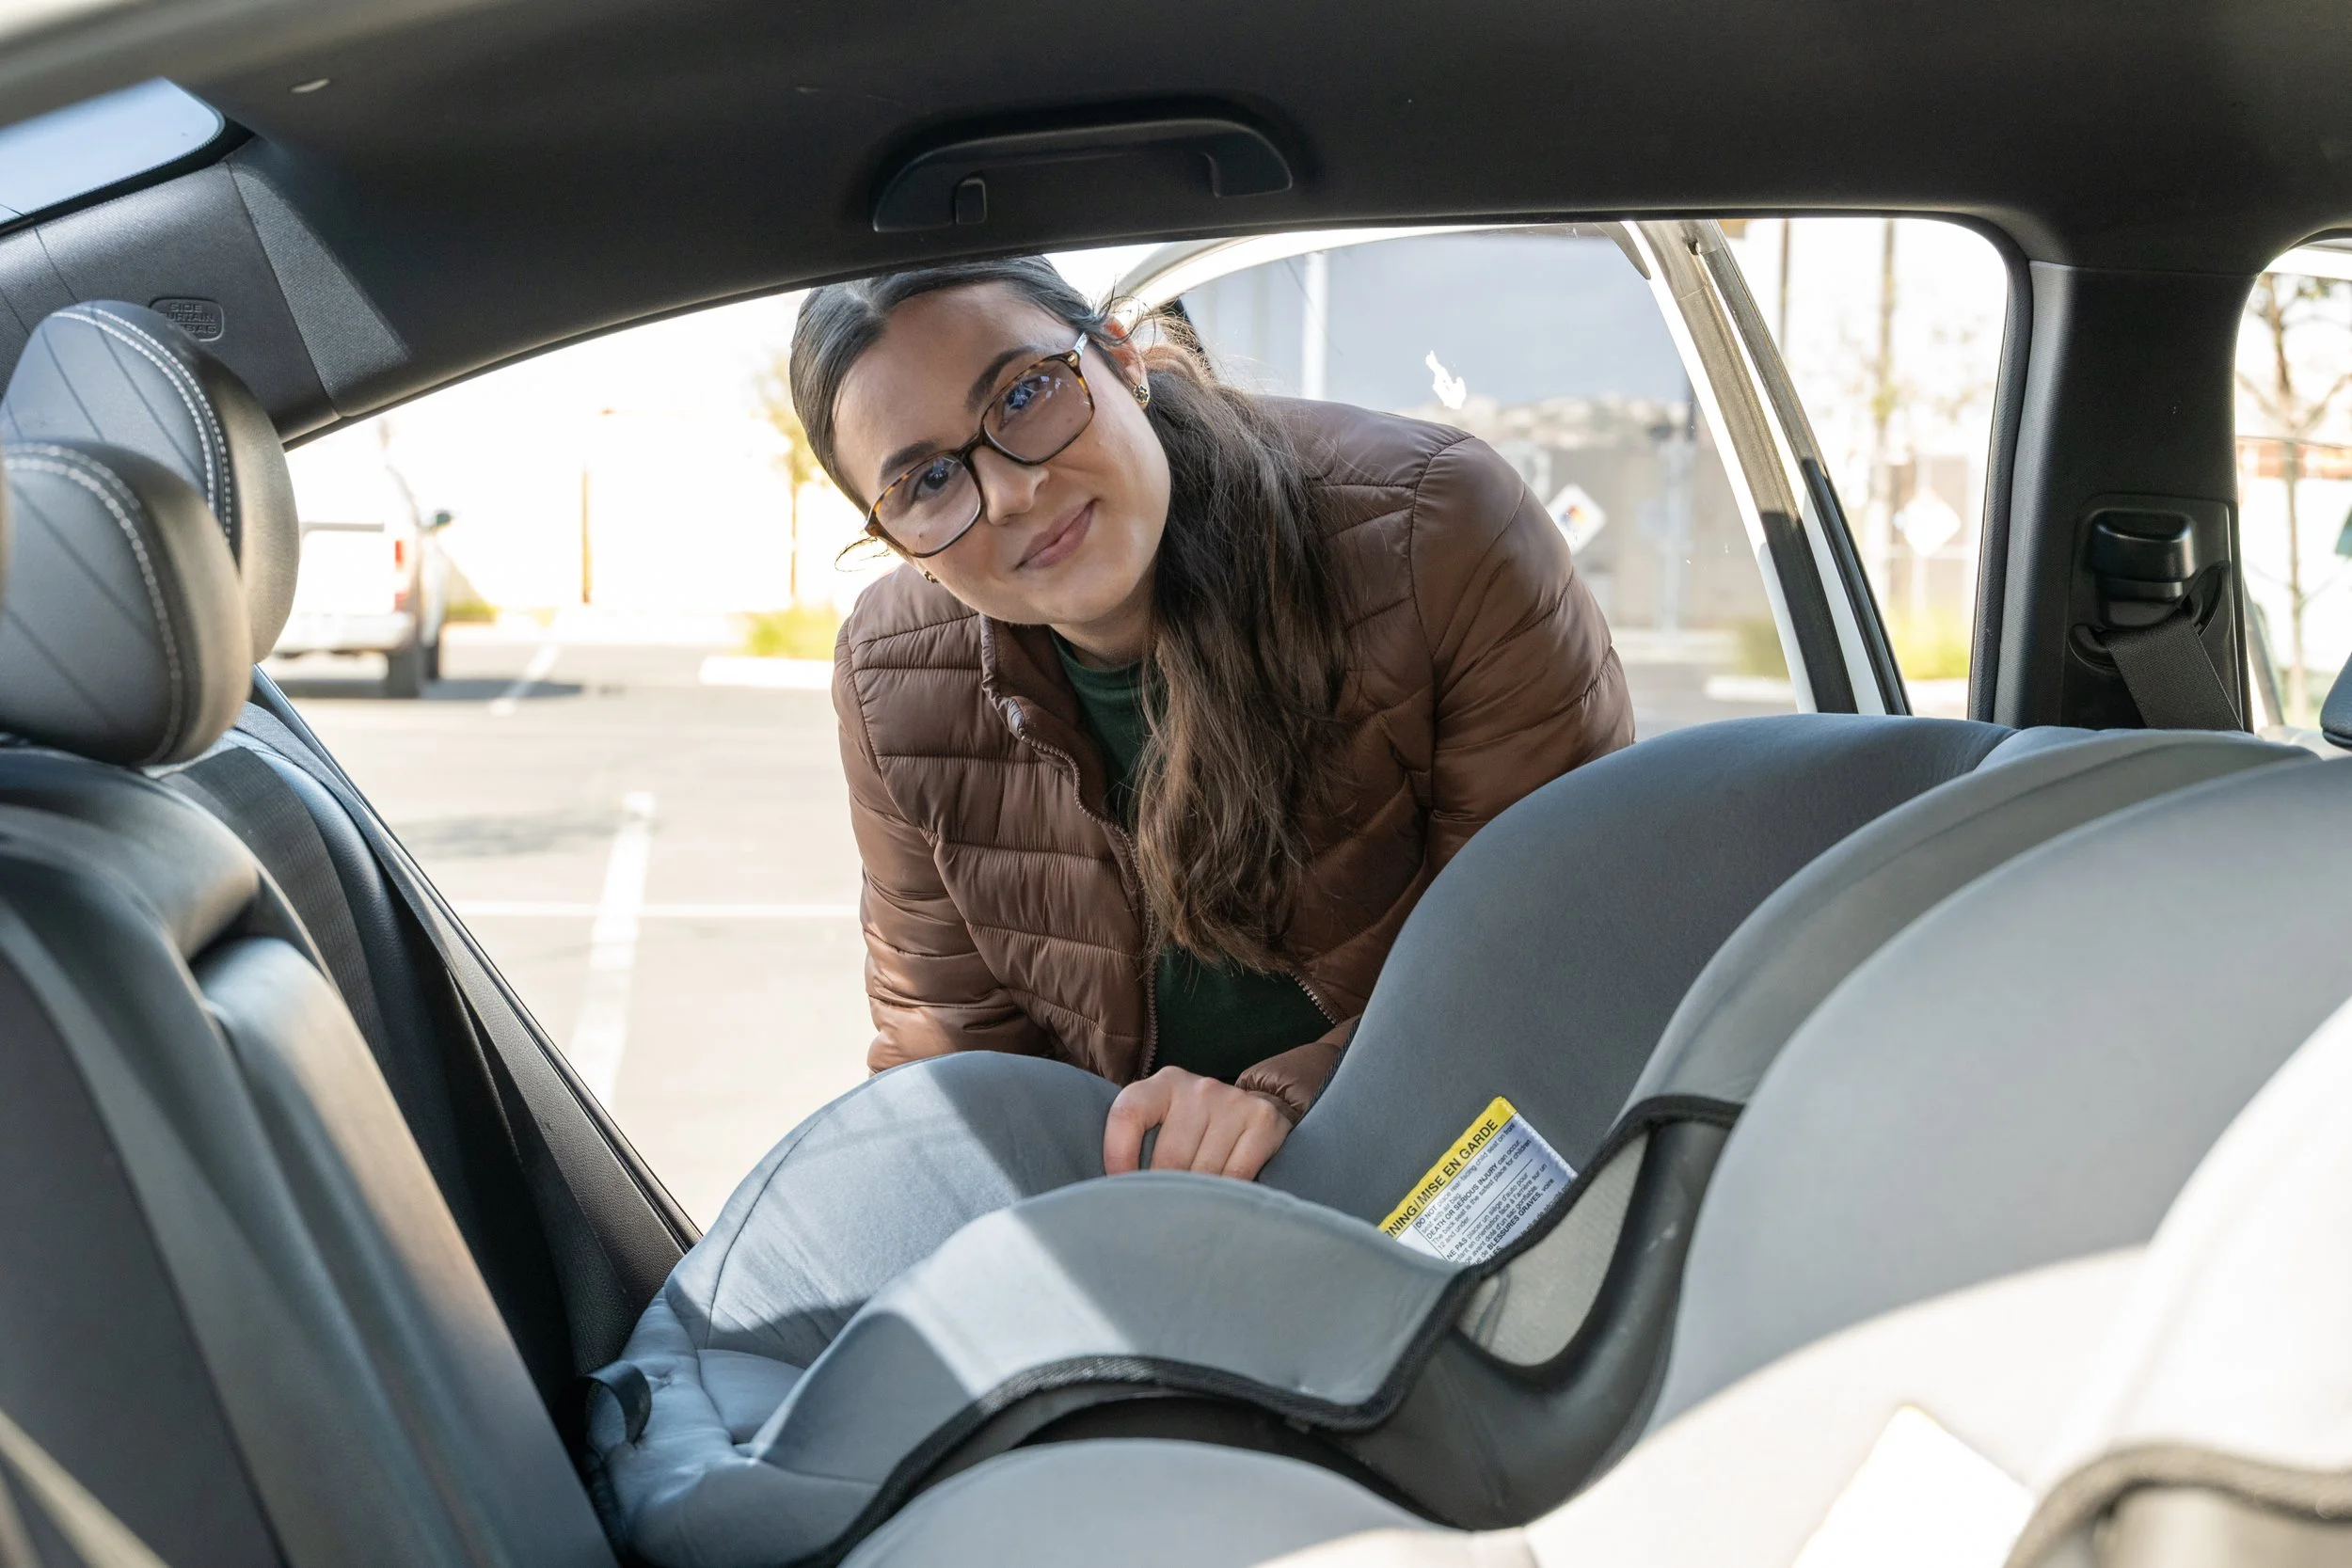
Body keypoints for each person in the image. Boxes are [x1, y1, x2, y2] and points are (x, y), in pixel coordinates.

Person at [801, 256, 1631, 1184]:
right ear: (896, 544)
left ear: (1121, 359)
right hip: (1151, 1221)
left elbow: (1555, 941)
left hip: (1472, 1155)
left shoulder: (1428, 529)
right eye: (925, 483)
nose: (1009, 492)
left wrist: (1286, 1103)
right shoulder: (893, 675)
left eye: (1025, 393)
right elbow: (957, 1067)